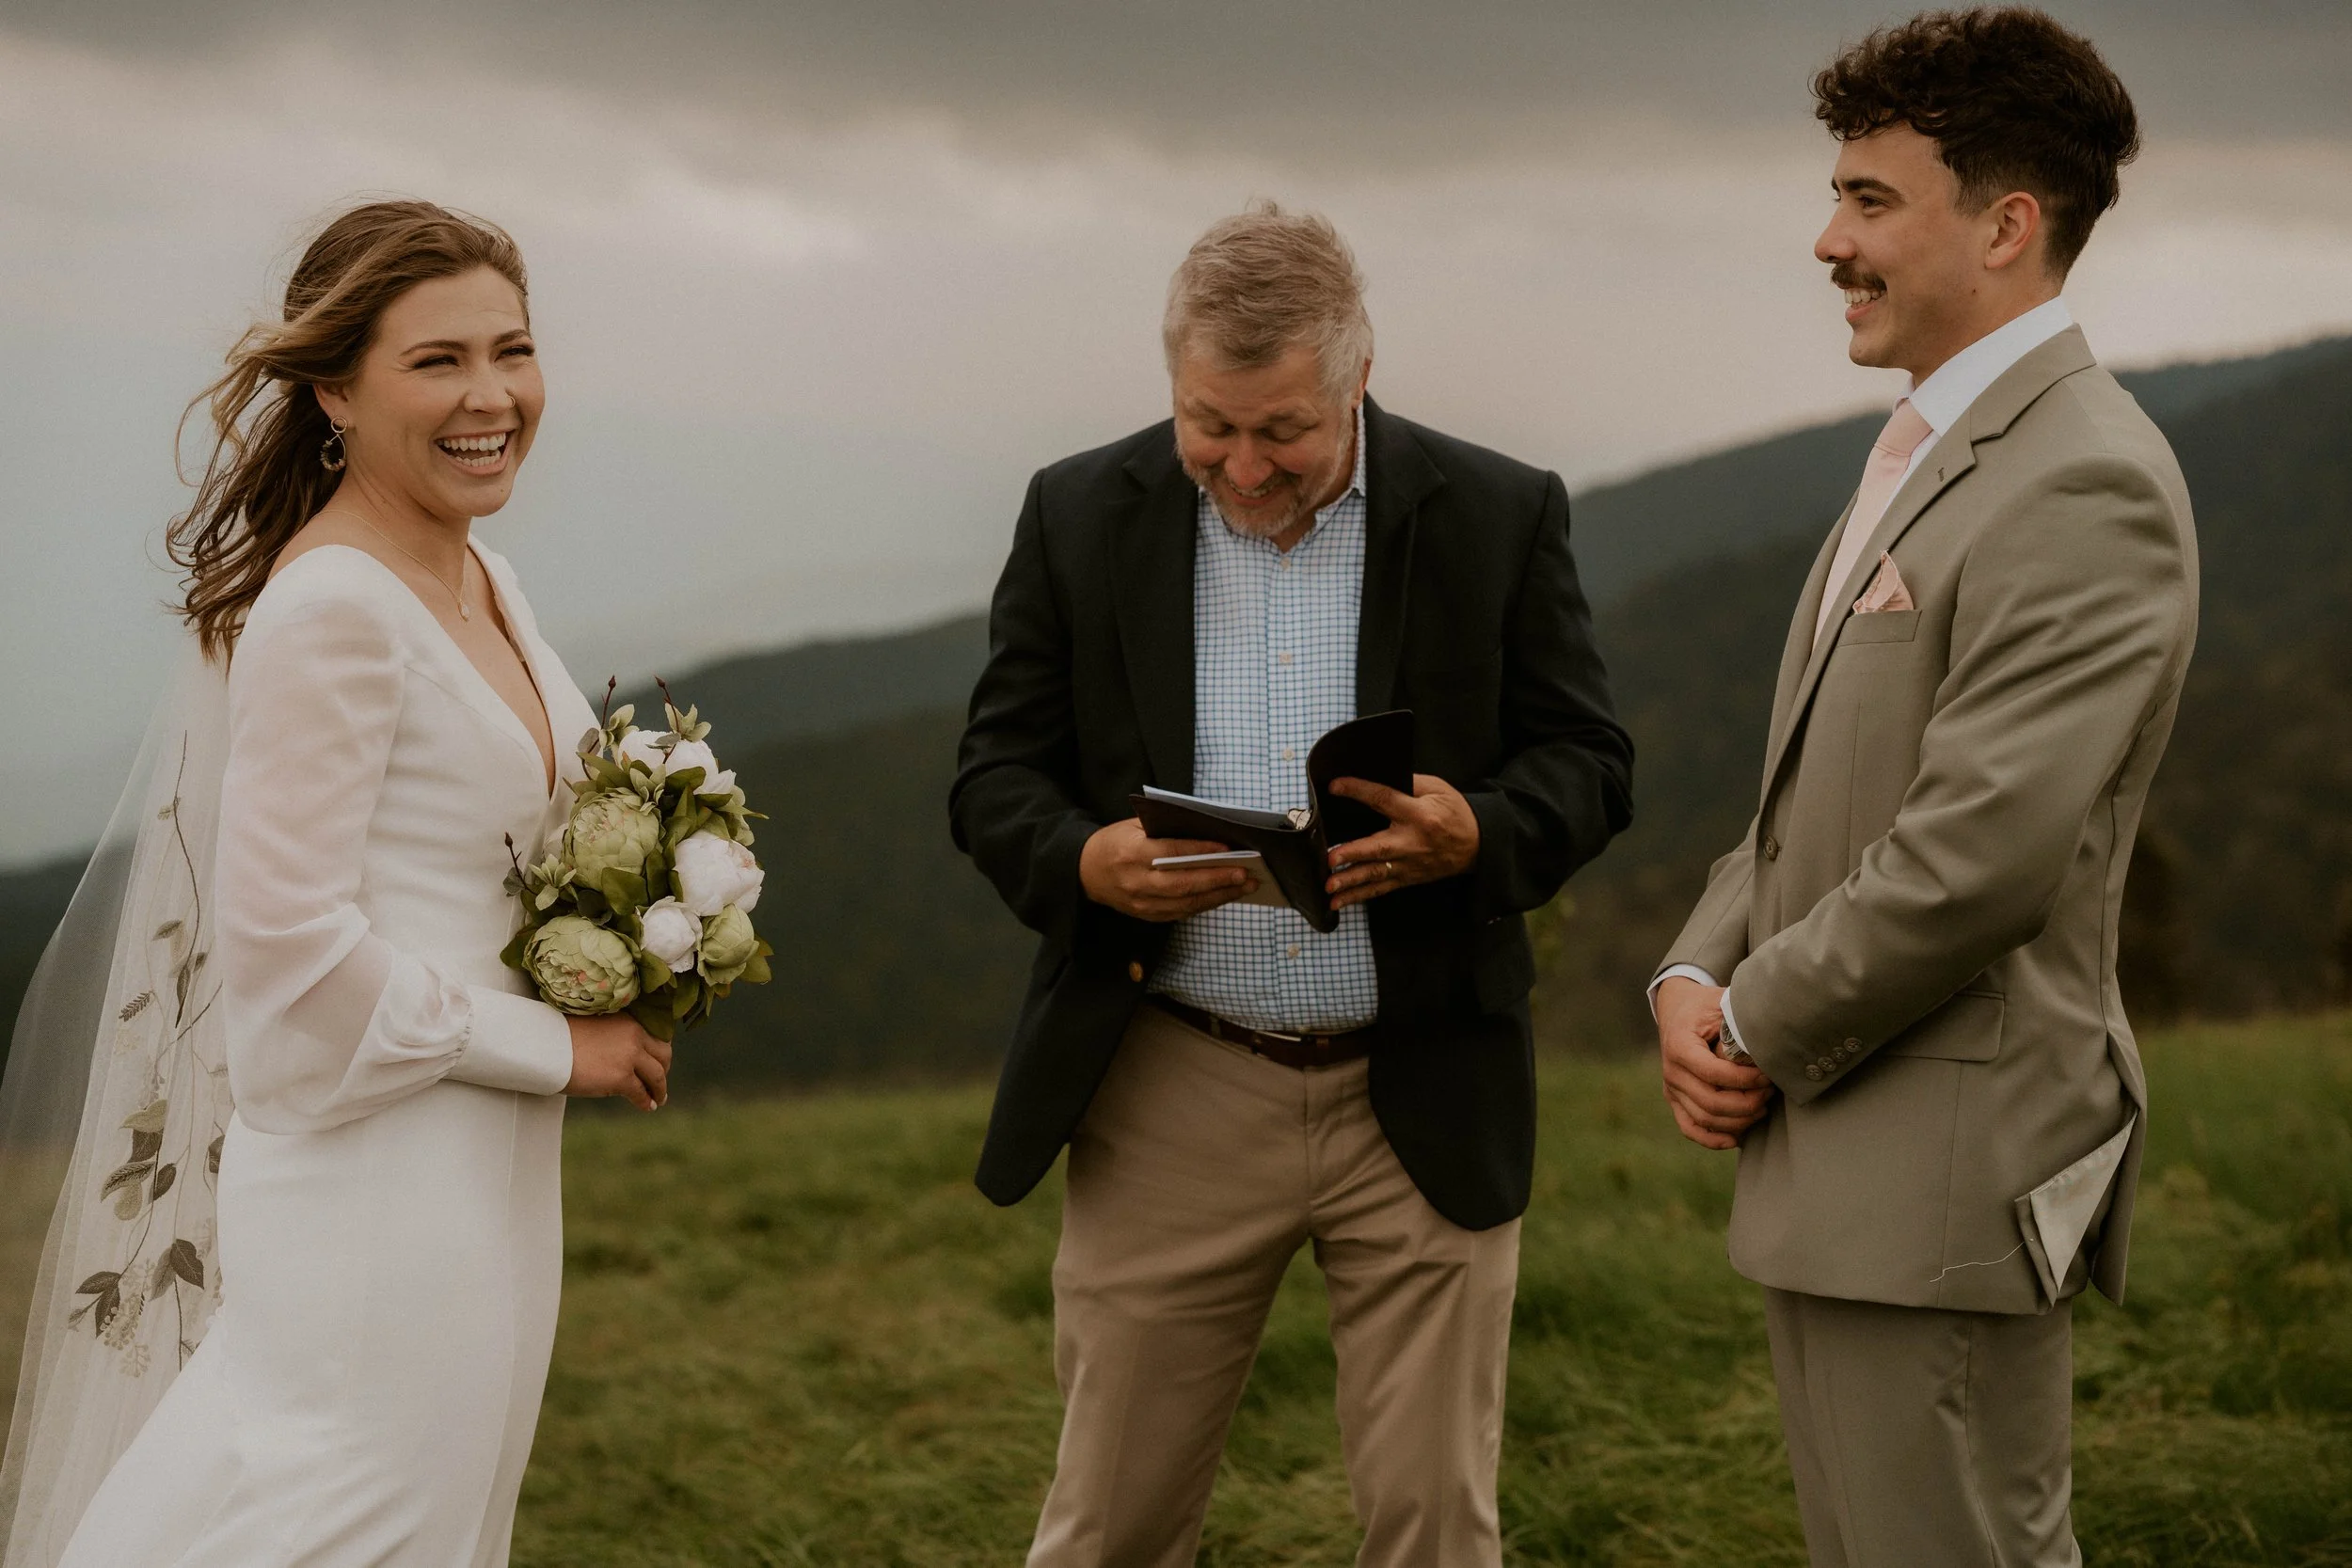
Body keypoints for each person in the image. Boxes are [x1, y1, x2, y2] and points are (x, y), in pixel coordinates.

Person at [953, 201, 1631, 1567]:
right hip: (1170, 1081)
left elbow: (1591, 760)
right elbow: (992, 774)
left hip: (1424, 1073)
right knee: (1110, 1528)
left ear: (1356, 378)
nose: (1244, 466)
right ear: (1171, 382)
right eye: (1211, 424)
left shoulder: (1498, 513)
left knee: (1436, 1527)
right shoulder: (1078, 511)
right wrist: (1087, 861)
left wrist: (1477, 834)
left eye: (1283, 431)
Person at [0, 200, 671, 1568]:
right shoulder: (331, 609)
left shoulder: (480, 572)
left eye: (513, 349)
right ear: (333, 391)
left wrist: (669, 890)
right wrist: (559, 1044)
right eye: (436, 361)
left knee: (430, 1523)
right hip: (377, 1197)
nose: (491, 395)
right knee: (343, 1521)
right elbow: (290, 961)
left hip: (479, 1181)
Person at [1649, 11, 2193, 1565]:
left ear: (2009, 226)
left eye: (1872, 200)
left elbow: (1979, 855)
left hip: (1948, 1184)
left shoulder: (2082, 476)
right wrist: (1695, 963)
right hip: (1842, 1173)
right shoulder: (1928, 446)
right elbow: (1816, 780)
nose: (1830, 240)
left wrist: (1753, 1021)